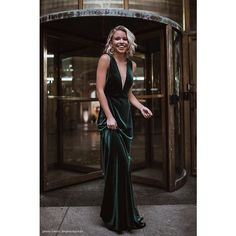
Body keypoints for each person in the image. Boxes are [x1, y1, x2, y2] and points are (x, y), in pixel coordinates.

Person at [96, 25, 153, 234]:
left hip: (125, 118)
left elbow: (128, 94)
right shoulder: (105, 59)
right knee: (116, 167)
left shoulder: (132, 65)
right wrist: (109, 116)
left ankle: (126, 215)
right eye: (117, 38)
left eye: (124, 39)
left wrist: (141, 106)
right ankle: (113, 218)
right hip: (110, 119)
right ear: (111, 41)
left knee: (124, 169)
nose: (121, 42)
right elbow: (99, 90)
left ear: (129, 42)